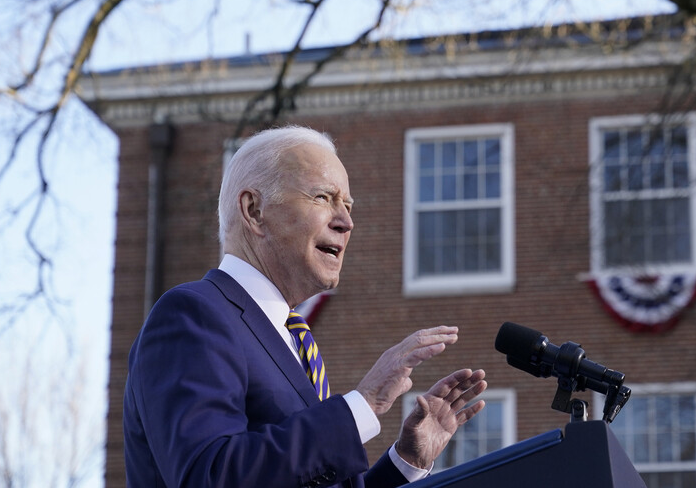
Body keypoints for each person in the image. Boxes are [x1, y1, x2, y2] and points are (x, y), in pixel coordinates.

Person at [124, 125, 488, 487]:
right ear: (254, 211)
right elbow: (211, 477)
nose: (347, 222)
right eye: (323, 197)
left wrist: (406, 462)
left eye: (347, 205)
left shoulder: (294, 340)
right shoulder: (193, 315)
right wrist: (363, 403)